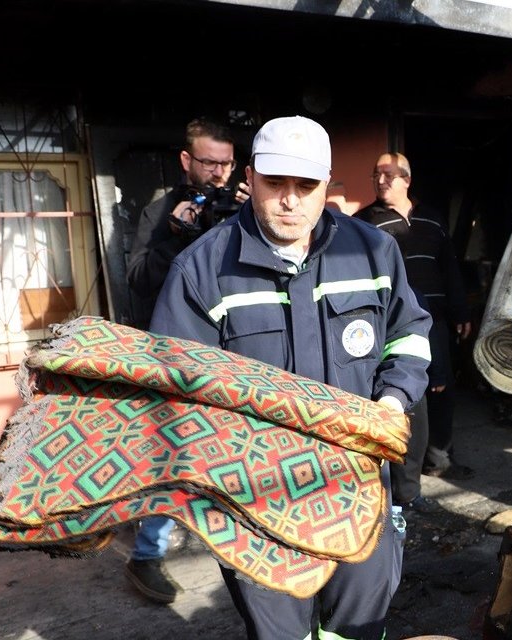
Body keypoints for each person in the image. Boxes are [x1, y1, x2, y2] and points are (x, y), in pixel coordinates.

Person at [149, 115, 432, 640]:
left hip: (359, 490)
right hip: (258, 507)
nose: (290, 201)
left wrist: (394, 400)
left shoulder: (373, 251)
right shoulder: (201, 270)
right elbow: (177, 392)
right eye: (275, 183)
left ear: (326, 185)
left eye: (306, 186)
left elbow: (409, 334)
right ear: (251, 178)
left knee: (359, 627)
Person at [122, 116, 249, 604]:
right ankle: (147, 556)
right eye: (209, 162)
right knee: (170, 453)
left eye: (226, 163)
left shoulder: (245, 206)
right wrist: (175, 234)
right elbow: (136, 279)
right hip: (177, 353)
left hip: (235, 351)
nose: (218, 173)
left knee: (236, 449)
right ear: (186, 160)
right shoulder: (161, 212)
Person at [353, 152, 474, 515]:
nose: (380, 181)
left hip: (435, 319)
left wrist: (460, 311)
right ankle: (404, 481)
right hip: (396, 324)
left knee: (443, 390)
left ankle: (440, 456)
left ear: (407, 179)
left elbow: (449, 268)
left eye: (389, 175)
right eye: (376, 174)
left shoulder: (431, 219)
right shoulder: (364, 224)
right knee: (408, 398)